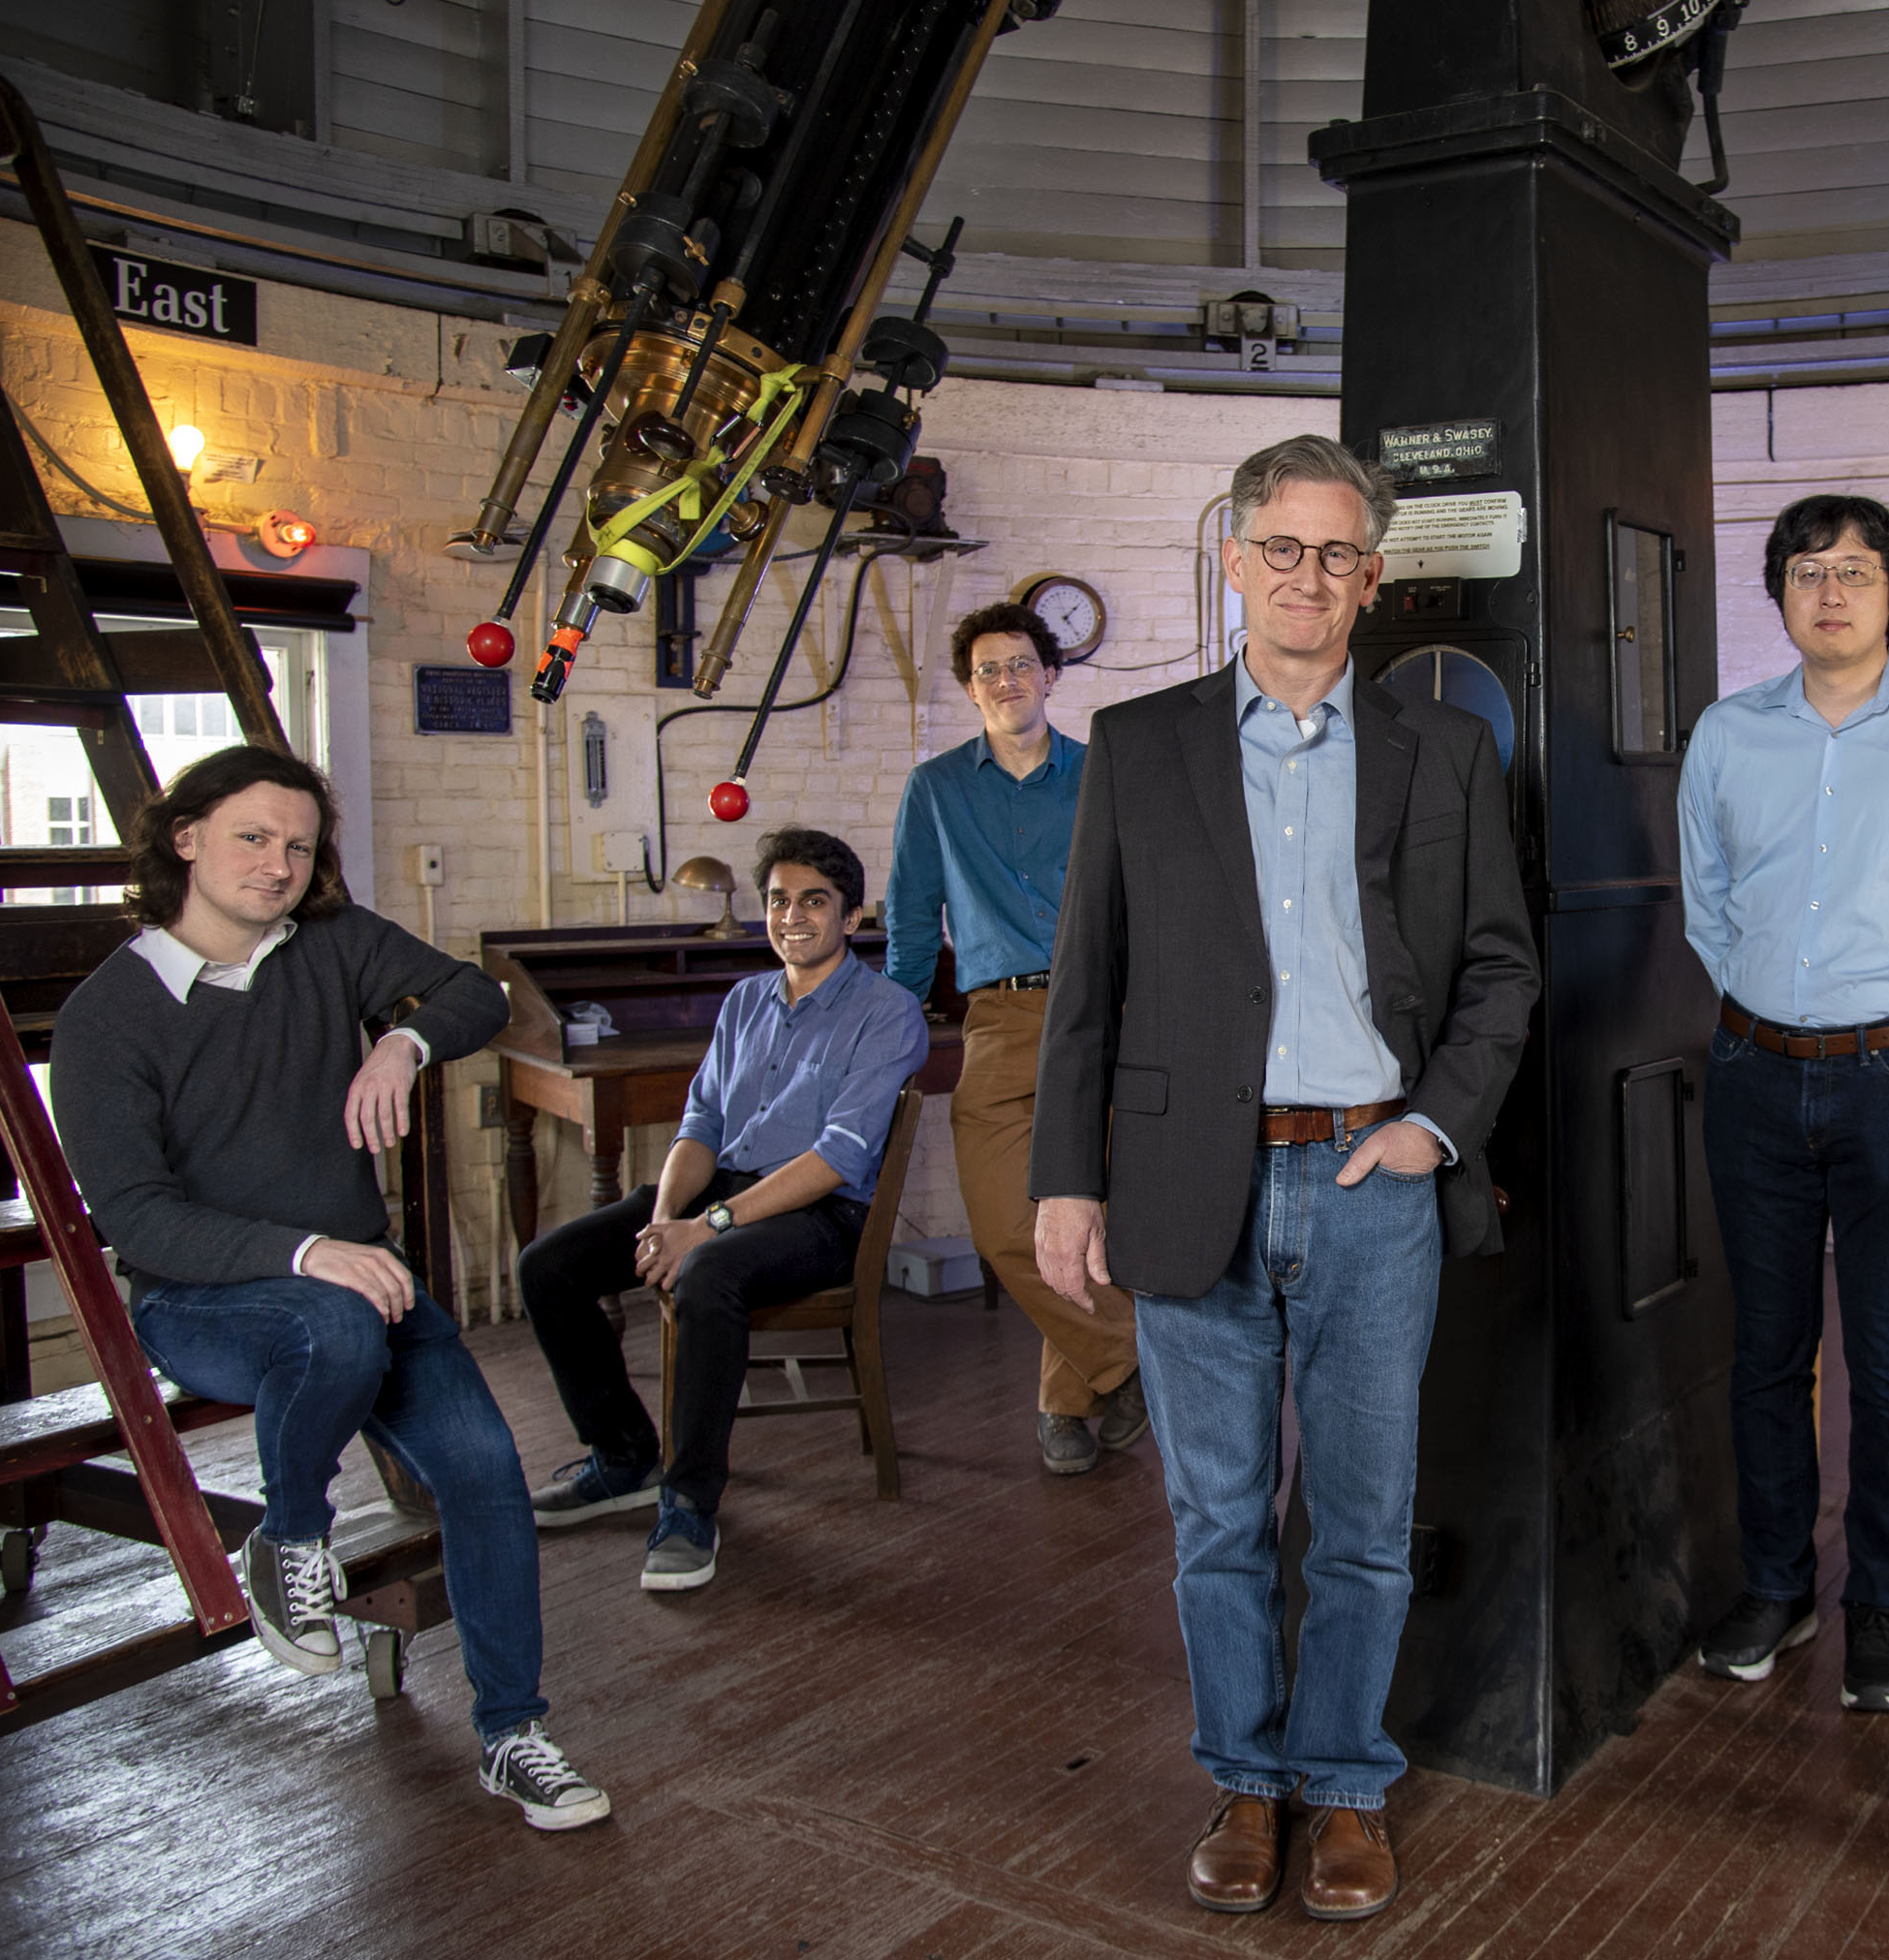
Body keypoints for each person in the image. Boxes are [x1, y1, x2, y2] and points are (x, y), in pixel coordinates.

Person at [1031, 433, 1537, 1922]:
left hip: (1377, 1179)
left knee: (1369, 1518)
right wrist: (1071, 1179)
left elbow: (1503, 969)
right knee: (1220, 1519)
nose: (1308, 574)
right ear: (1235, 559)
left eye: (1338, 553)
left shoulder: (1445, 751)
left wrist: (1433, 1124)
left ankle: (1349, 1782)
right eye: (1282, 546)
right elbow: (1088, 982)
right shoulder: (1141, 743)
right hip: (1196, 1184)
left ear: (1371, 580)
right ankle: (1245, 1781)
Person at [50, 745, 609, 1830]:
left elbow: (474, 995)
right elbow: (137, 1217)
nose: (277, 865)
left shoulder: (332, 948)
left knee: (488, 1473)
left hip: (364, 1288)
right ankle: (289, 1533)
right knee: (335, 1315)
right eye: (252, 837)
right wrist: (309, 1253)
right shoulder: (107, 1015)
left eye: (299, 847)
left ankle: (512, 1734)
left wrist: (399, 1042)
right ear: (186, 839)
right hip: (206, 1301)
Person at [1676, 493, 1889, 1712]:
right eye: (1809, 570)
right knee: (1766, 1352)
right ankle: (1777, 1586)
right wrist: (1768, 1006)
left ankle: (1883, 1603)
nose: (1832, 591)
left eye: (1857, 570)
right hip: (1755, 1073)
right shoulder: (1726, 734)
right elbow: (1705, 904)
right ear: (1779, 593)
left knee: (1888, 1354)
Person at [517, 826, 926, 1592]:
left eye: (814, 900)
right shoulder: (744, 1001)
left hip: (821, 1213)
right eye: (777, 900)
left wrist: (705, 1230)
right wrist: (665, 1219)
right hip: (717, 1194)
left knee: (707, 1274)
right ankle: (622, 1457)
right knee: (548, 1267)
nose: (792, 916)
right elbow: (700, 1126)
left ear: (852, 913)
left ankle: (687, 1501)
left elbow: (838, 1158)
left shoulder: (887, 1011)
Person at [887, 601, 1144, 1478]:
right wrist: (891, 1041)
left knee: (1092, 1217)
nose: (1006, 680)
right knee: (1004, 1221)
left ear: (1052, 676)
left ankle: (1066, 1402)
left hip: (1106, 1012)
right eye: (989, 669)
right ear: (971, 688)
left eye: (1021, 664)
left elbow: (1146, 897)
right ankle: (1135, 1361)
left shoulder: (1105, 769)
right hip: (997, 1017)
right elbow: (913, 924)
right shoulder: (936, 788)